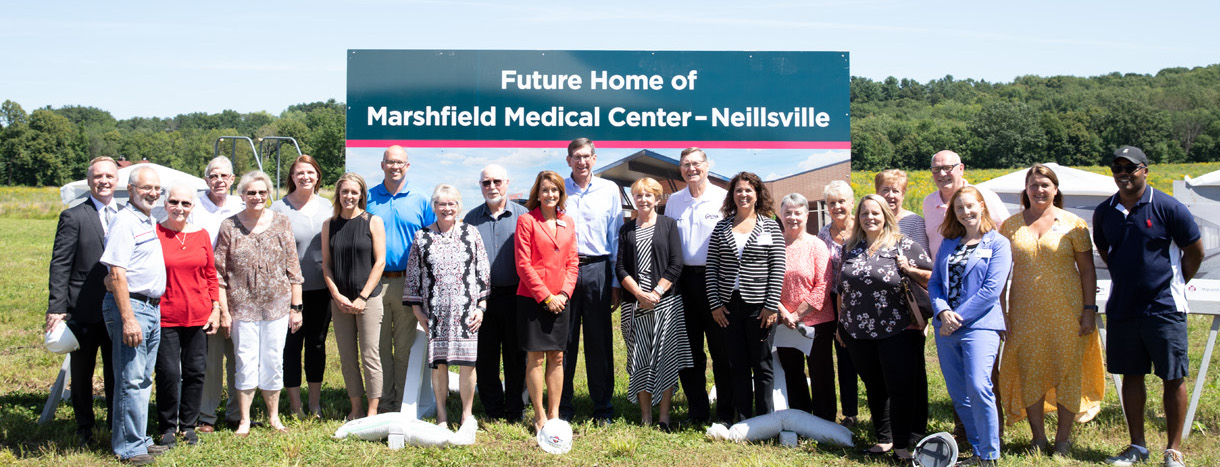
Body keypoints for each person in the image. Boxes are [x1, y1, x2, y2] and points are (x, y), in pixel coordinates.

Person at [1095, 146, 1203, 467]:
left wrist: (1174, 281)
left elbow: (1194, 251)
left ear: (1145, 170)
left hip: (1164, 308)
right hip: (1123, 307)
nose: (1124, 173)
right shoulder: (1105, 211)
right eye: (1117, 168)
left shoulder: (1169, 207)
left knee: (1173, 377)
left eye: (1131, 167)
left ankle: (1173, 450)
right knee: (1132, 375)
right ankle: (1137, 446)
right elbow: (1105, 249)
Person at [998, 164, 1103, 457]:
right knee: (1030, 371)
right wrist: (1001, 310)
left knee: (1068, 370)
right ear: (1026, 190)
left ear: (1055, 189)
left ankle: (1063, 440)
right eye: (1034, 185)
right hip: (1025, 312)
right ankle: (1038, 438)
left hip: (1067, 311)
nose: (1039, 190)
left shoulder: (1074, 224)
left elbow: (1087, 271)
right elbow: (1000, 273)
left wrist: (1089, 310)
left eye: (1045, 185)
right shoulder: (1010, 225)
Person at [839, 194, 933, 463]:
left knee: (900, 387)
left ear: (886, 216)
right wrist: (841, 324)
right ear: (858, 218)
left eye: (876, 213)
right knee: (874, 385)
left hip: (899, 329)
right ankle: (884, 439)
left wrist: (909, 270)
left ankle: (902, 446)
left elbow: (931, 277)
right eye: (865, 213)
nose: (870, 217)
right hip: (857, 330)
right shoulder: (852, 247)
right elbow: (842, 287)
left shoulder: (904, 245)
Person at [213, 171, 304, 436]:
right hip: (242, 307)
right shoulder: (229, 226)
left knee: (274, 360)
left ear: (268, 195)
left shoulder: (281, 222)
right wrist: (224, 311)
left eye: (262, 192)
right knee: (245, 361)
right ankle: (244, 419)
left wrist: (296, 308)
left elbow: (293, 268)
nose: (256, 197)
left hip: (277, 305)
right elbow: (219, 272)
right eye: (251, 192)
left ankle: (274, 417)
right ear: (241, 195)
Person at [928, 186, 1012, 467]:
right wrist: (942, 311)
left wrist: (956, 318)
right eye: (959, 208)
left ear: (982, 206)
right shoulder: (949, 243)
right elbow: (936, 283)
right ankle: (978, 451)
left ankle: (989, 454)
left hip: (981, 327)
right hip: (946, 328)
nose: (965, 212)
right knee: (958, 394)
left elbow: (990, 291)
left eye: (970, 206)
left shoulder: (998, 244)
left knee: (978, 386)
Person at [46, 156, 119, 447]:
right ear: (89, 181)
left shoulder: (126, 214)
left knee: (116, 372)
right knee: (82, 372)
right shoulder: (73, 216)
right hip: (83, 309)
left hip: (118, 309)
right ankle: (84, 427)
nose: (103, 181)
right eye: (98, 176)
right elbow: (60, 264)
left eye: (109, 177)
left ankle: (116, 425)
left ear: (117, 181)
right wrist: (57, 306)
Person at [98, 165, 168, 464]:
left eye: (156, 188)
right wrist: (127, 318)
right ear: (130, 190)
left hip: (150, 307)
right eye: (145, 188)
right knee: (130, 378)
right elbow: (116, 272)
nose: (152, 193)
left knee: (141, 379)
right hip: (133, 308)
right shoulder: (124, 221)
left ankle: (139, 439)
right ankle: (128, 447)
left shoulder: (147, 219)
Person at [405, 184, 490, 428]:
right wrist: (416, 309)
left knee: (467, 363)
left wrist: (481, 307)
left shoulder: (471, 234)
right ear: (434, 207)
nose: (447, 208)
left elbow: (482, 271)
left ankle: (466, 414)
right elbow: (413, 275)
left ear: (459, 206)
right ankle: (441, 415)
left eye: (452, 203)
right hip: (435, 313)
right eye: (442, 204)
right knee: (439, 364)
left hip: (467, 312)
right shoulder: (422, 237)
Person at [706, 172, 785, 421]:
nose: (743, 195)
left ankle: (764, 419)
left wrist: (771, 306)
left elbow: (777, 266)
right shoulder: (721, 226)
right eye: (738, 190)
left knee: (762, 365)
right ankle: (743, 417)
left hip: (759, 306)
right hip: (729, 306)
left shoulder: (770, 225)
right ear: (732, 195)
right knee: (737, 364)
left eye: (748, 190)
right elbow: (712, 267)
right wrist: (715, 304)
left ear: (757, 194)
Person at [664, 147, 733, 425]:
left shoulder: (724, 198)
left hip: (715, 280)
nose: (691, 169)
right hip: (682, 282)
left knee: (722, 351)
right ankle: (697, 412)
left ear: (707, 165)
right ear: (680, 169)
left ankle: (727, 412)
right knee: (689, 351)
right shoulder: (674, 201)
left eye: (696, 163)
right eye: (685, 164)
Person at [616, 177, 691, 430]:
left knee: (664, 357)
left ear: (658, 199)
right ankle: (645, 417)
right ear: (633, 199)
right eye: (638, 195)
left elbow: (676, 263)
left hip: (666, 303)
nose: (643, 199)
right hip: (634, 305)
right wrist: (639, 294)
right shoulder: (626, 229)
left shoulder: (668, 225)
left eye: (649, 195)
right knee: (640, 359)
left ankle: (664, 418)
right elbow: (620, 267)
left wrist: (656, 292)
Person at [367, 145, 436, 413]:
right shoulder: (369, 197)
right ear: (382, 164)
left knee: (405, 347)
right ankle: (383, 402)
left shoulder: (420, 200)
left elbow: (432, 238)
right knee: (378, 346)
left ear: (408, 166)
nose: (395, 166)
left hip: (409, 282)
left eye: (400, 162)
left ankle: (402, 403)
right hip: (375, 282)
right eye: (390, 162)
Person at [560, 138, 623, 423]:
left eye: (586, 156)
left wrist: (614, 281)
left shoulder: (609, 189)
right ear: (568, 160)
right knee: (565, 341)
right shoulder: (559, 189)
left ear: (594, 159)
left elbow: (616, 235)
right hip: (565, 271)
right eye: (576, 156)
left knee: (599, 342)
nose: (582, 161)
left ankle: (603, 408)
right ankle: (563, 406)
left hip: (599, 268)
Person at [153, 185, 221, 448]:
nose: (179, 208)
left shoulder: (201, 234)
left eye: (185, 203)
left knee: (195, 372)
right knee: (168, 373)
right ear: (165, 203)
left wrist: (215, 307)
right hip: (166, 314)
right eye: (174, 202)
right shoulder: (155, 233)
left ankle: (188, 425)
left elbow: (210, 273)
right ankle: (168, 426)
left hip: (198, 314)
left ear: (193, 206)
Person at [463, 164, 529, 422]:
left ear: (507, 183)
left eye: (497, 181)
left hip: (517, 295)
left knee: (517, 355)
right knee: (486, 356)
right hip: (482, 300)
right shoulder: (470, 219)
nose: (492, 187)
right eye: (486, 182)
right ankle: (492, 409)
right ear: (480, 186)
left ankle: (516, 410)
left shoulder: (524, 216)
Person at [515, 170, 580, 432]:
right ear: (537, 194)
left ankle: (554, 414)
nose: (550, 194)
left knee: (557, 357)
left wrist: (563, 295)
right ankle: (539, 415)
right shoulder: (527, 221)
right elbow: (523, 264)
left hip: (562, 301)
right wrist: (546, 297)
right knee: (536, 359)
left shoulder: (568, 222)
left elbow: (573, 263)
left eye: (555, 190)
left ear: (561, 194)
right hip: (533, 299)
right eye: (545, 190)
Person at [270, 155, 333, 418]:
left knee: (317, 345)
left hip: (322, 289)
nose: (305, 177)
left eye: (310, 172)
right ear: (292, 177)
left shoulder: (328, 206)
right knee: (291, 347)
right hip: (288, 292)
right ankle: (296, 407)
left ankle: (314, 404)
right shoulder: (278, 208)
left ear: (318, 176)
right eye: (299, 173)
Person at [322, 172, 386, 421]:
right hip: (340, 302)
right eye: (345, 191)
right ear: (338, 194)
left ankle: (372, 411)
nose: (349, 196)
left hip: (368, 300)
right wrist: (336, 295)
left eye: (354, 192)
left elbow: (379, 262)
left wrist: (362, 297)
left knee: (370, 355)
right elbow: (326, 265)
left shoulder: (373, 221)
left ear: (362, 195)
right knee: (347, 357)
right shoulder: (329, 225)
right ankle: (355, 408)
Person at [193, 156, 245, 433]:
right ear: (206, 180)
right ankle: (206, 414)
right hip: (205, 289)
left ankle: (237, 412)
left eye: (224, 176)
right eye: (214, 176)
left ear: (233, 179)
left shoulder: (241, 205)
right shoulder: (194, 208)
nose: (219, 181)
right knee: (211, 358)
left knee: (238, 355)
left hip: (239, 290)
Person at [772, 193, 833, 419]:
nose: (793, 217)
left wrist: (797, 314)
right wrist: (784, 313)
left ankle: (825, 419)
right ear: (781, 215)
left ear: (807, 216)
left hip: (817, 321)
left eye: (798, 213)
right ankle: (801, 416)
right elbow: (767, 281)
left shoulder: (817, 245)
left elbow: (824, 284)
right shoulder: (775, 244)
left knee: (821, 372)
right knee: (793, 371)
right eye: (788, 213)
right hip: (784, 322)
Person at [815, 180, 860, 426]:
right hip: (833, 300)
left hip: (861, 300)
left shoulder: (863, 228)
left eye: (842, 201)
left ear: (852, 202)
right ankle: (850, 412)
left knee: (863, 355)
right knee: (842, 356)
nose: (837, 207)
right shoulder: (823, 234)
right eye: (832, 203)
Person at [922, 150, 1009, 258]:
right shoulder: (929, 202)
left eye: (947, 168)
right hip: (940, 272)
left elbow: (1007, 232)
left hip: (981, 272)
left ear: (961, 169)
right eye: (936, 169)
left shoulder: (985, 196)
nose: (942, 174)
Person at [876, 169, 930, 252]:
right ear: (877, 193)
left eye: (895, 191)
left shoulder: (915, 222)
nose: (890, 195)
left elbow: (924, 258)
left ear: (903, 194)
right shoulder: (871, 220)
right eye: (885, 190)